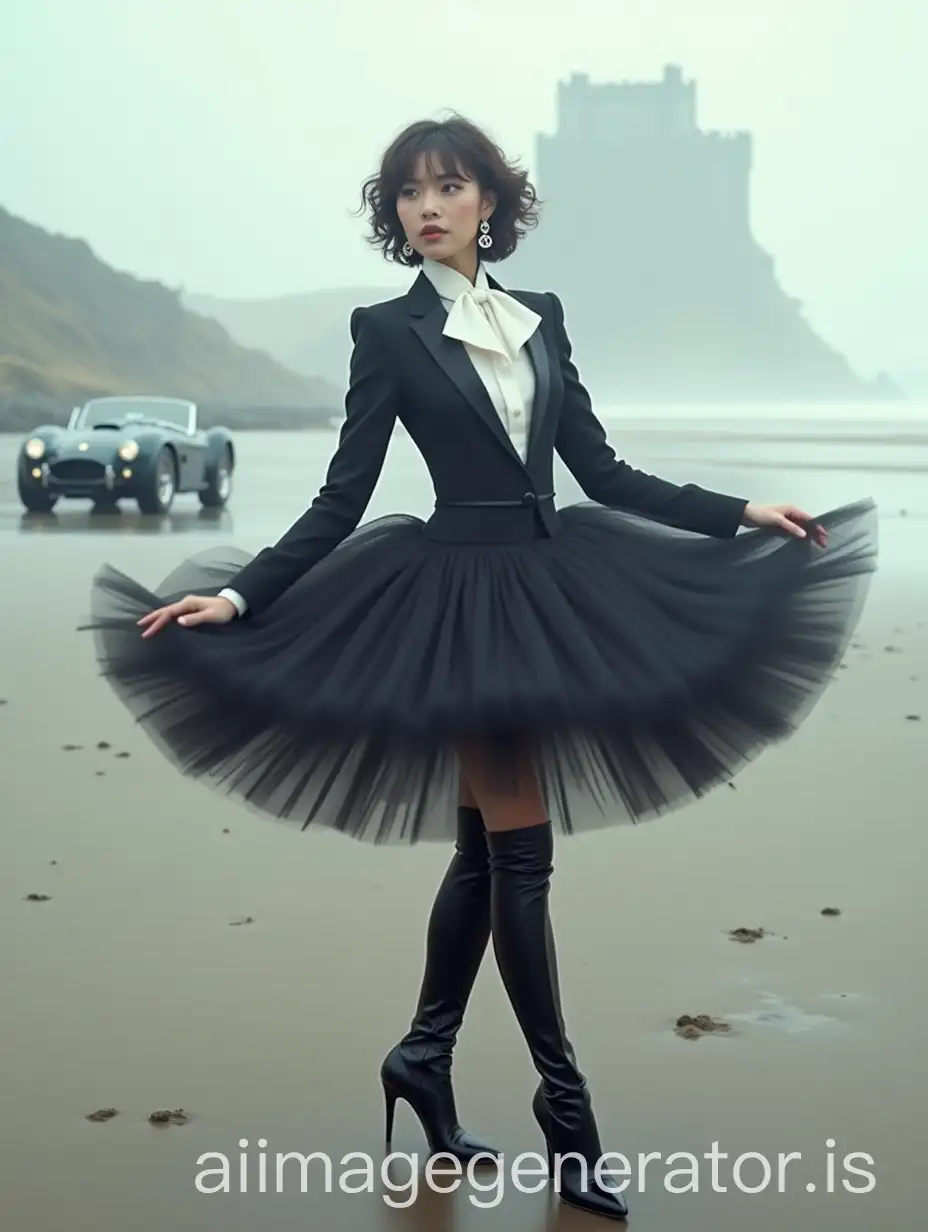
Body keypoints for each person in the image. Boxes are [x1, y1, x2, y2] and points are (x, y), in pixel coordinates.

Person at [84, 115, 877, 1221]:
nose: (426, 205)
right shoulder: (387, 331)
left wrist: (738, 509)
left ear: (489, 203)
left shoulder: (540, 316)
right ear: (394, 213)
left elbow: (598, 469)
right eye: (408, 192)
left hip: (552, 587)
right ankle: (570, 1115)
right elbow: (342, 494)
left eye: (448, 185)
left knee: (479, 848)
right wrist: (243, 592)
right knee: (523, 851)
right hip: (454, 601)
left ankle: (422, 1055)